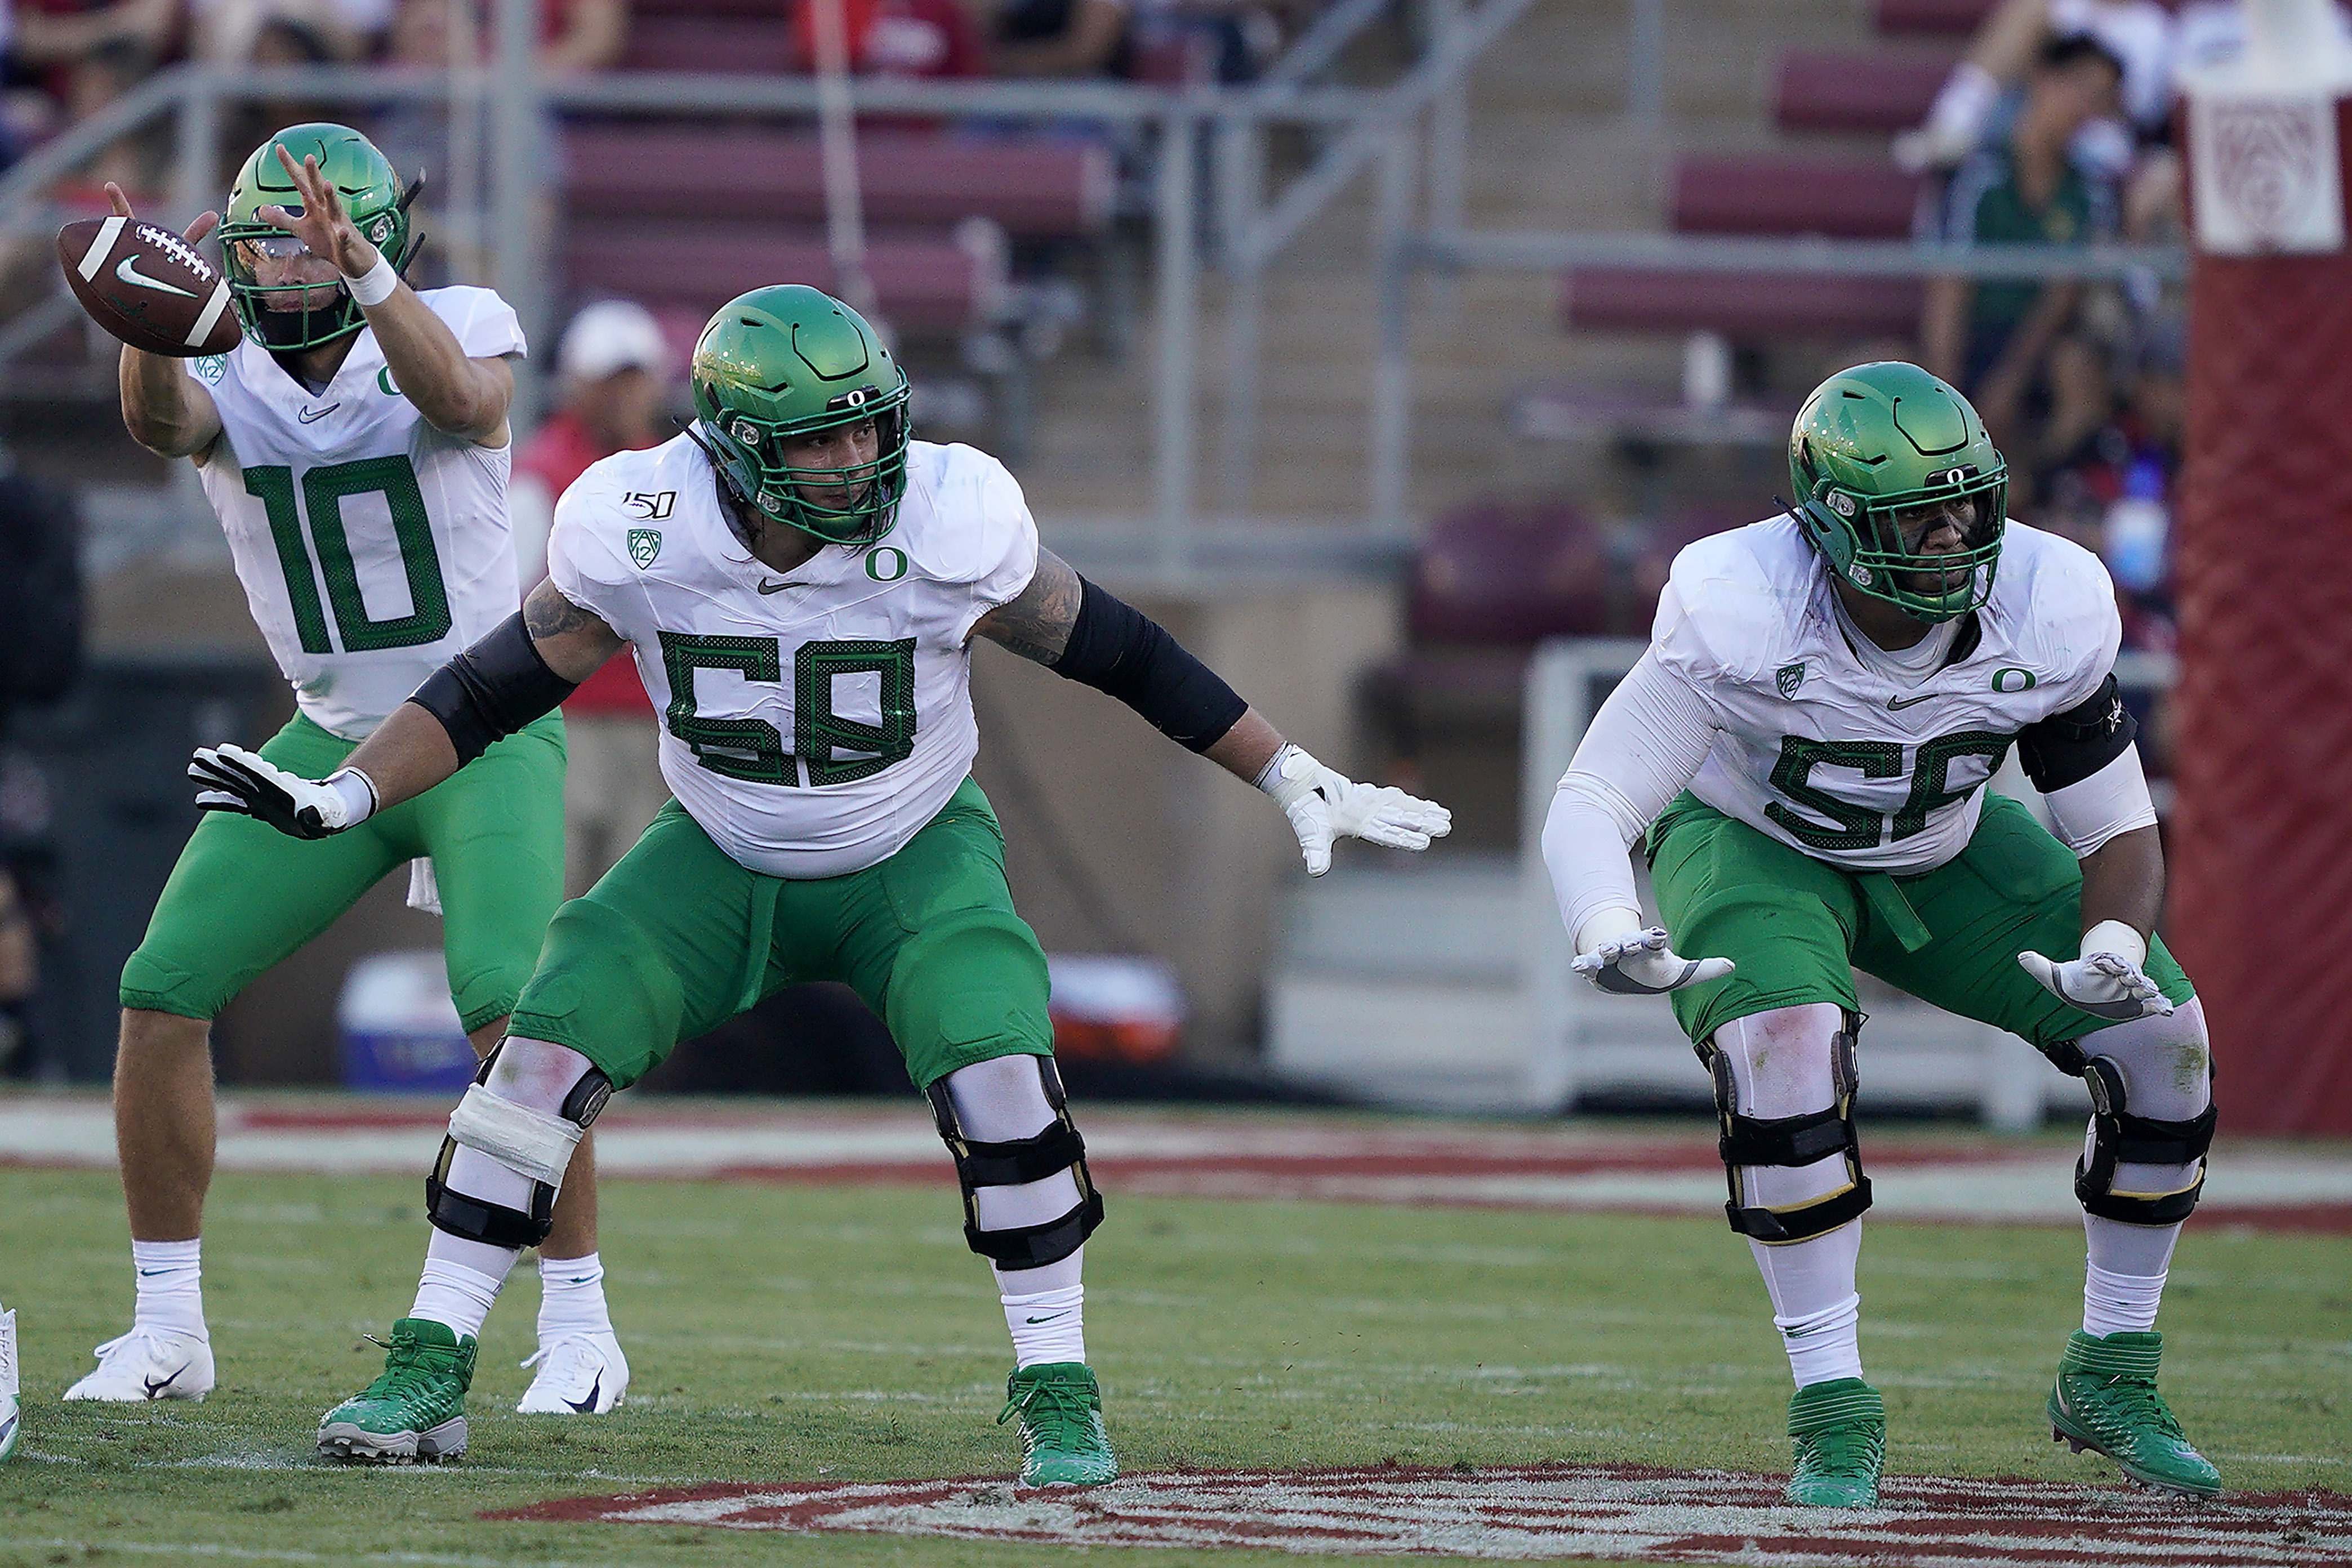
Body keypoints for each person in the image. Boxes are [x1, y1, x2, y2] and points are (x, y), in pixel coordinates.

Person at [190, 282, 1451, 1473]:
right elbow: (490, 686)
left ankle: (1061, 1393)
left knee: (1006, 1084)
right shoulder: (641, 521)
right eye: (819, 445)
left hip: (909, 851)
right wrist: (349, 790)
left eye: (868, 433)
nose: (858, 465)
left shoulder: (949, 519)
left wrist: (1286, 770)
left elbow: (1120, 651)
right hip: (719, 850)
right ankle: (428, 1363)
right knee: (530, 1068)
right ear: (734, 446)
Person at [1543, 361, 2217, 1506]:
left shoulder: (2047, 604)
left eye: (1968, 504)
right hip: (1756, 839)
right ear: (1832, 525)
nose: (1955, 537)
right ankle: (1835, 1411)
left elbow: (2121, 827)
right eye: (1921, 513)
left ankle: (2113, 1370)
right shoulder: (1742, 604)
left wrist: (2112, 946)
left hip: (1940, 846)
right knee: (1788, 1046)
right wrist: (1607, 917)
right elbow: (1594, 801)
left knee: (2168, 1041)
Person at [68, 123, 628, 1420]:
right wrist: (147, 314)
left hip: (480, 718)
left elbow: (466, 403)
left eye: (315, 231)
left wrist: (369, 277)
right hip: (328, 728)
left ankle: (581, 1321)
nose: (292, 257)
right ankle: (165, 1325)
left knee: (512, 1011)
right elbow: (165, 424)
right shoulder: (227, 367)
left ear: (384, 238)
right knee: (162, 989)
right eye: (266, 234)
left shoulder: (450, 319)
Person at [511, 299, 672, 894]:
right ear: (577, 383)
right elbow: (505, 600)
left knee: (635, 904)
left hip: (654, 722)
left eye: (635, 380)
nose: (624, 397)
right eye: (611, 381)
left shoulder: (673, 471)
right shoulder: (543, 473)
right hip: (565, 720)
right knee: (551, 890)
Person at [1921, 33, 2124, 491]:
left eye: (2101, 99)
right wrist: (1945, 396)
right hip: (1973, 340)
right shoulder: (1978, 175)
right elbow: (1950, 285)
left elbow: (2064, 295)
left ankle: (2039, 492)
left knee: (2077, 371)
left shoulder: (2090, 191)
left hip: (2039, 350)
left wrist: (2011, 379)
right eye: (2080, 88)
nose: (2086, 108)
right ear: (2042, 79)